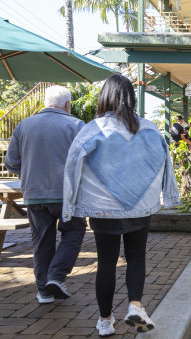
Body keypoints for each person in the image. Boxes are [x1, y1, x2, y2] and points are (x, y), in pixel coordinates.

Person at [62, 74, 180, 336]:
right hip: (140, 206)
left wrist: (69, 207)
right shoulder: (150, 129)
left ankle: (105, 322)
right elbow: (165, 164)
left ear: (105, 97)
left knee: (106, 262)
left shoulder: (93, 129)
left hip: (103, 208)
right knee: (136, 256)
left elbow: (72, 166)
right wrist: (169, 197)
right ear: (132, 98)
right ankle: (136, 306)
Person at [5, 86, 86, 304]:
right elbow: (87, 161)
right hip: (67, 195)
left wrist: (30, 172)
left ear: (45, 102)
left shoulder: (24, 126)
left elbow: (11, 162)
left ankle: (43, 291)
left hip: (34, 194)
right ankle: (57, 276)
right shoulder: (76, 125)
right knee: (74, 231)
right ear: (67, 105)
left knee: (41, 241)